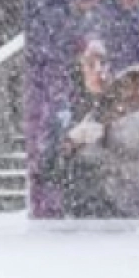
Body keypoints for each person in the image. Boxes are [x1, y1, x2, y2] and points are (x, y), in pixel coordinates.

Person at [39, 33, 114, 217]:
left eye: (103, 63)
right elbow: (47, 171)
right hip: (79, 217)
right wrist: (70, 142)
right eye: (90, 64)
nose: (98, 70)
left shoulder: (125, 106)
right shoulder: (63, 113)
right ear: (79, 69)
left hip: (123, 220)